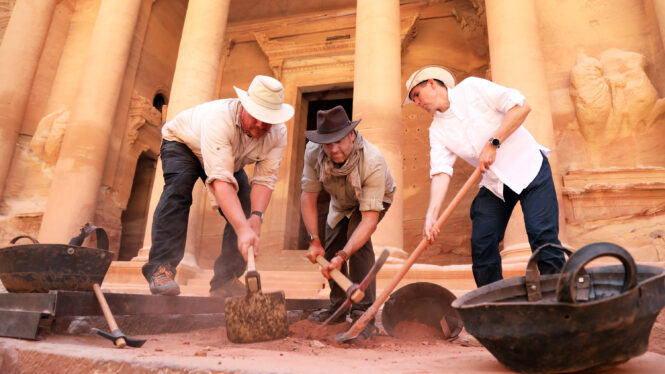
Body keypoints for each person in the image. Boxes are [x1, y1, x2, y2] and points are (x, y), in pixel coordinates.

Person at [403, 66, 565, 287]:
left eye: (417, 95)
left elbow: (521, 107)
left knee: (542, 236)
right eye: (414, 100)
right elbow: (441, 171)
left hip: (530, 168)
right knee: (482, 241)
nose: (417, 103)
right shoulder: (437, 130)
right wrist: (432, 216)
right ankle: (492, 306)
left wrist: (493, 143)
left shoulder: (472, 88)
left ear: (432, 83)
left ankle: (560, 298)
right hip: (496, 184)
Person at [142, 75, 294, 297]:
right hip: (184, 144)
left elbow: (264, 179)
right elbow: (220, 179)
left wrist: (255, 217)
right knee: (178, 192)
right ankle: (161, 269)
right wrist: (242, 230)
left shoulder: (278, 134)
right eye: (257, 117)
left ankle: (225, 281)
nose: (262, 125)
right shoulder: (219, 117)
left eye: (268, 119)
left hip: (227, 158)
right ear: (244, 105)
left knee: (243, 208)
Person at [301, 105, 395, 337]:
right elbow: (308, 196)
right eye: (327, 143)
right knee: (330, 248)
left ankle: (364, 314)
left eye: (338, 141)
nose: (332, 149)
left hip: (373, 201)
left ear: (351, 135)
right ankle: (337, 307)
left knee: (357, 246)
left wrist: (344, 256)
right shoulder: (313, 152)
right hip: (340, 202)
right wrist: (314, 240)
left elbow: (368, 220)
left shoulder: (373, 160)